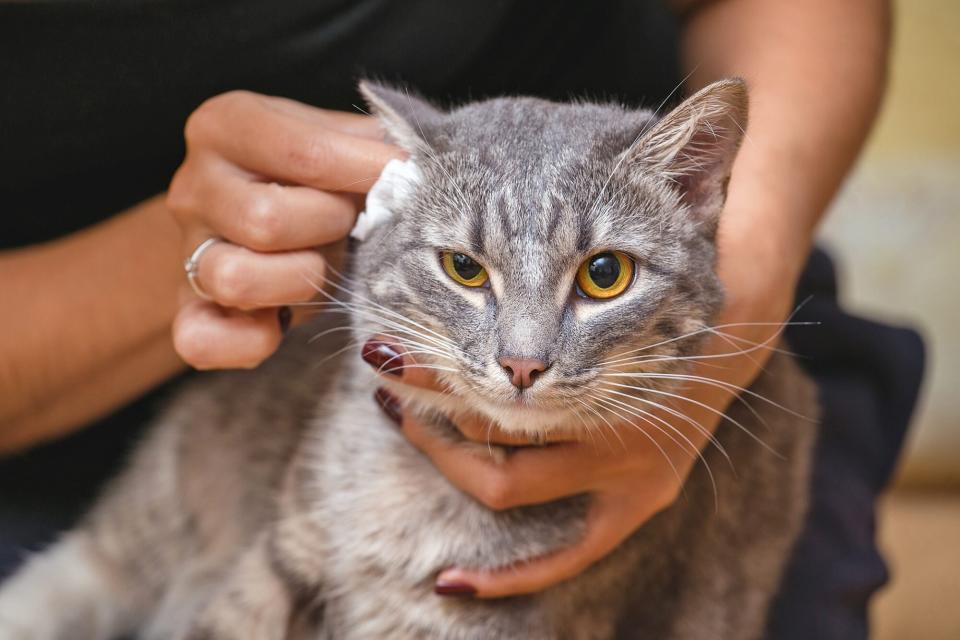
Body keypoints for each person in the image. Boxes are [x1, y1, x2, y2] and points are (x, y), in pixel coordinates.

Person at [0, 1, 923, 638]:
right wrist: (210, 249)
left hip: (696, 315)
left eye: (597, 276)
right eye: (468, 268)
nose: (524, 358)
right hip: (126, 397)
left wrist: (742, 291)